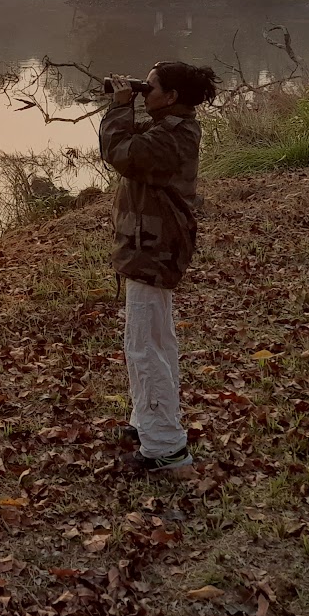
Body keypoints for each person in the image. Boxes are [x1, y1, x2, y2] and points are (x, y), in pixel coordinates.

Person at [98, 60, 218, 473]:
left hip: (154, 249)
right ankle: (148, 421)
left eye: (149, 88)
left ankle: (166, 448)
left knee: (145, 346)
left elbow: (120, 152)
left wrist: (118, 107)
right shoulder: (170, 124)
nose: (142, 92)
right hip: (151, 245)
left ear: (172, 97)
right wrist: (130, 102)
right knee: (155, 341)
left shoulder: (171, 137)